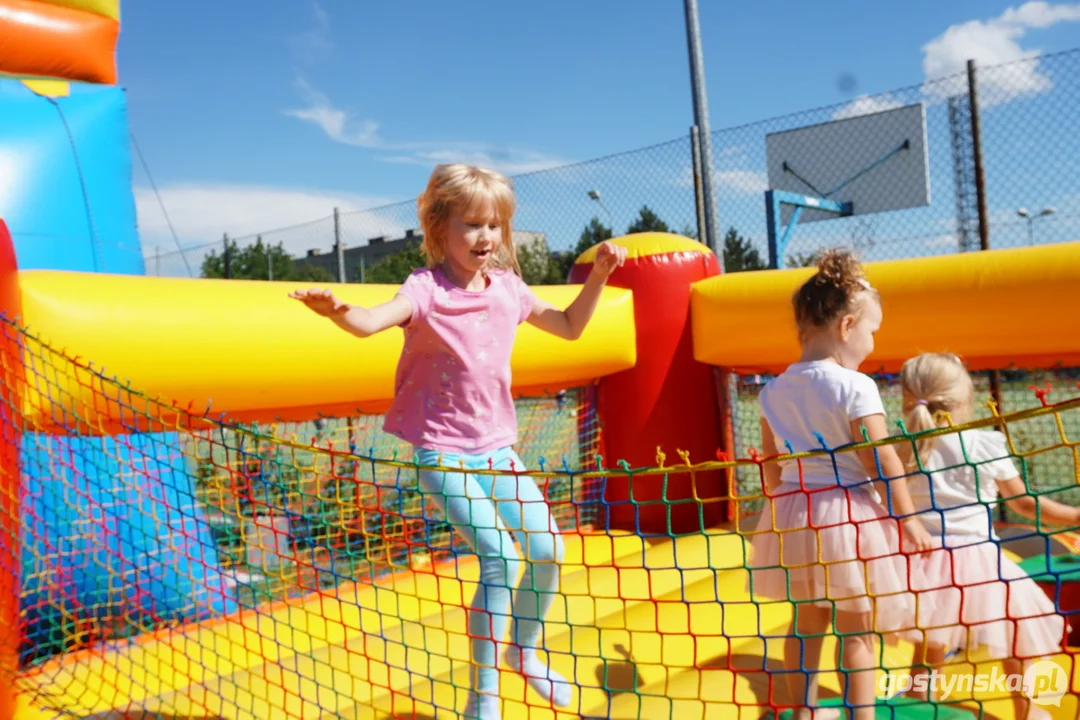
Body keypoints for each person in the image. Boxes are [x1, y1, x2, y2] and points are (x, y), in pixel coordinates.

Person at [289, 163, 627, 719]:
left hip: (497, 449)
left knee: (547, 551)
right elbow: (373, 322)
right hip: (443, 450)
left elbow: (570, 326)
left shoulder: (510, 290)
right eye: (471, 225)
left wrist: (599, 277)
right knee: (499, 558)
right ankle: (484, 697)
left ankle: (525, 649)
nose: (486, 237)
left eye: (494, 225)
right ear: (438, 228)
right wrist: (338, 312)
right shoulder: (426, 290)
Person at [746, 249, 933, 720]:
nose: (873, 340)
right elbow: (882, 459)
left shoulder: (771, 390)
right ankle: (860, 717)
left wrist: (778, 506)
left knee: (805, 624)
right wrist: (908, 520)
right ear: (847, 327)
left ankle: (805, 712)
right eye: (872, 330)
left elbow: (770, 466)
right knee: (857, 629)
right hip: (846, 512)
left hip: (793, 508)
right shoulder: (856, 386)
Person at [897, 352, 1077, 720]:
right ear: (964, 399)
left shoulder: (903, 449)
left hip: (921, 564)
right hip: (979, 562)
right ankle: (1027, 713)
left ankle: (916, 705)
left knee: (929, 643)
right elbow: (1025, 504)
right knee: (1018, 640)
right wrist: (1074, 515)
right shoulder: (983, 444)